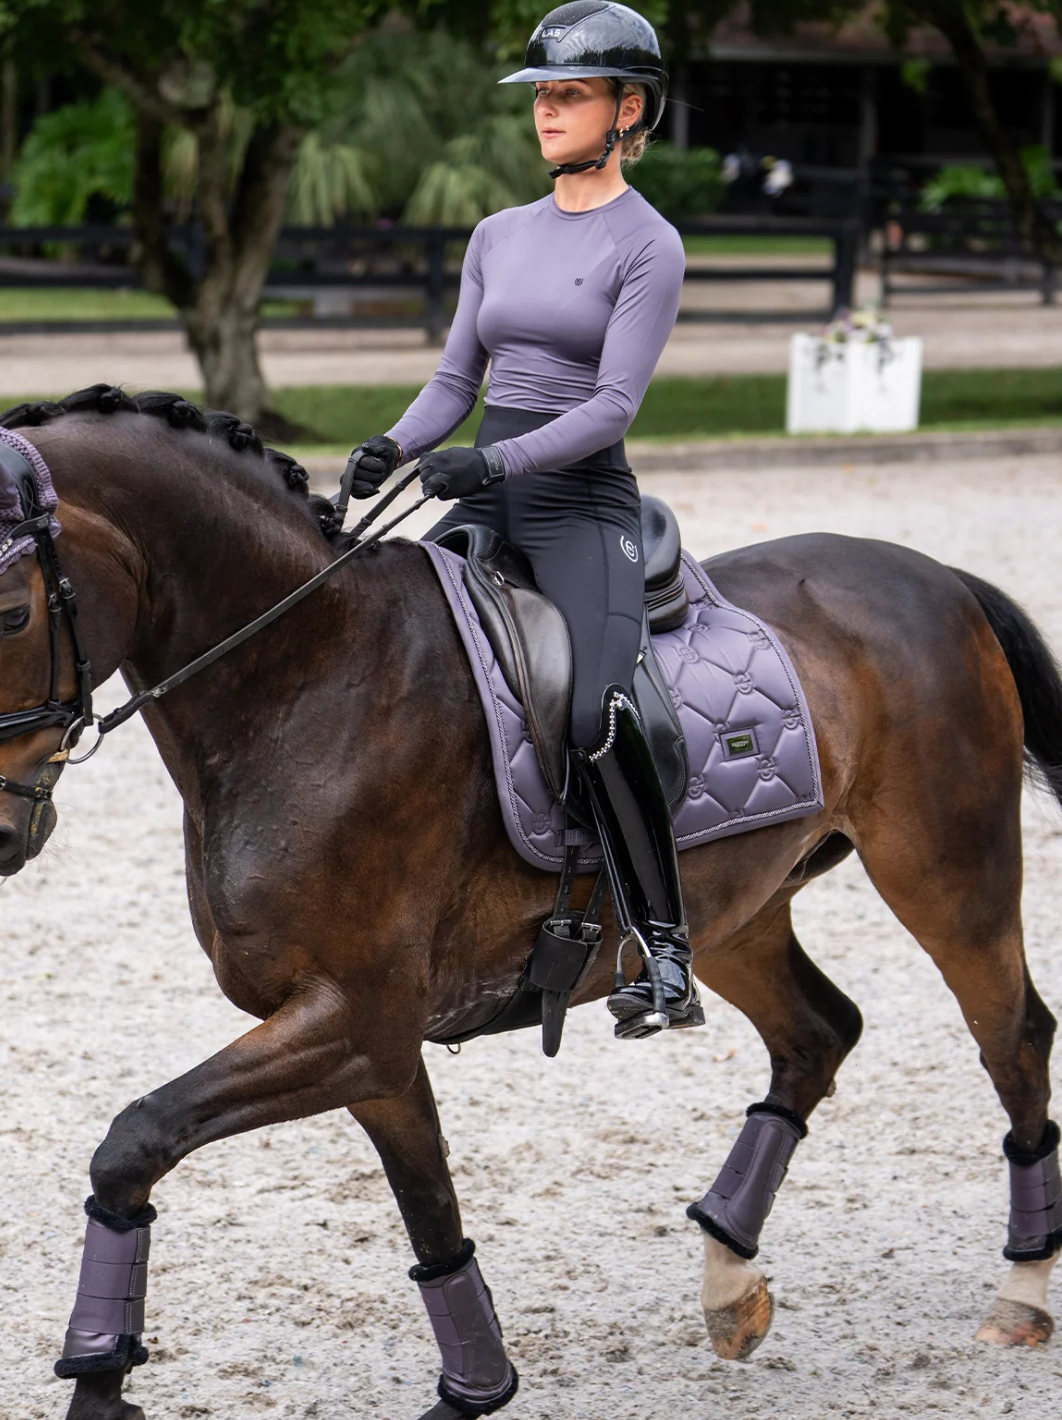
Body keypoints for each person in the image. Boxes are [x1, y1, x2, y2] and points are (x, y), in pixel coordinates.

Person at [348, 1, 703, 1039]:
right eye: (541, 95)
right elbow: (456, 379)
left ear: (628, 110)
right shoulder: (499, 234)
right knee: (382, 658)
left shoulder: (650, 244)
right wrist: (392, 446)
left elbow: (612, 407)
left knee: (598, 713)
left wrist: (494, 459)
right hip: (484, 488)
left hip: (580, 505)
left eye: (569, 95)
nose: (545, 111)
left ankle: (665, 951)